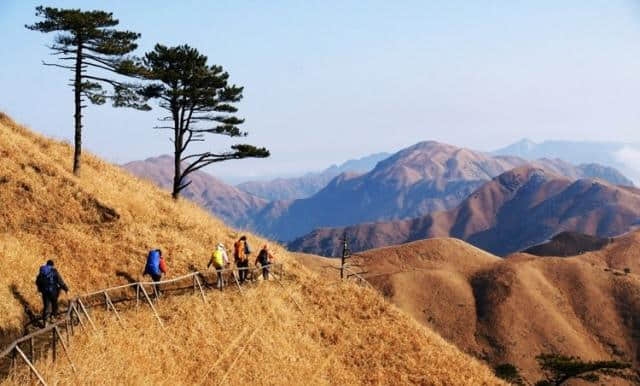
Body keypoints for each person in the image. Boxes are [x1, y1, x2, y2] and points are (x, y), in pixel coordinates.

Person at [35, 260, 68, 325]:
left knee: (46, 305)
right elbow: (60, 281)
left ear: (47, 264)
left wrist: (40, 289)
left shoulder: (42, 271)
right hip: (53, 291)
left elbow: (37, 281)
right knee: (54, 304)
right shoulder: (54, 271)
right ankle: (53, 317)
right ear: (52, 265)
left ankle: (46, 321)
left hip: (44, 291)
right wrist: (65, 288)